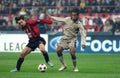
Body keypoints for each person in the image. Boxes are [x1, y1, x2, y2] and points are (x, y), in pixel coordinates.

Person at [47, 8, 86, 72]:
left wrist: (83, 43)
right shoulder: (67, 19)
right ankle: (63, 65)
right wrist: (51, 17)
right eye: (72, 15)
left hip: (72, 39)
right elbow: (59, 19)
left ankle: (75, 67)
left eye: (75, 15)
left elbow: (83, 33)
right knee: (58, 50)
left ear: (78, 15)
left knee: (72, 52)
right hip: (65, 38)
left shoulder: (79, 24)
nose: (73, 16)